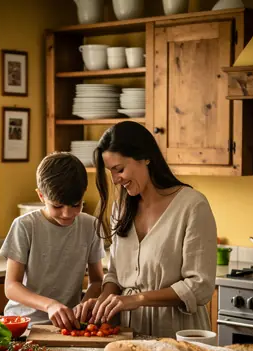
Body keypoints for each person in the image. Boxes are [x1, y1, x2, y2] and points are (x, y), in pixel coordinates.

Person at [75, 121, 217, 338]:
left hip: (177, 333)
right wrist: (102, 301)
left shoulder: (192, 205)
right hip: (128, 332)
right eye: (110, 172)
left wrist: (136, 299)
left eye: (119, 169)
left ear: (146, 157)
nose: (115, 180)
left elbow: (199, 286)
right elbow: (114, 274)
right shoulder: (121, 209)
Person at [0, 152, 105, 330]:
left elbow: (97, 281)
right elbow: (11, 286)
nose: (67, 213)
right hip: (23, 325)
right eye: (57, 206)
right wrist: (50, 305)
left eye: (76, 205)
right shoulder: (25, 226)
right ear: (41, 196)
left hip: (67, 326)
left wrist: (84, 306)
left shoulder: (91, 226)